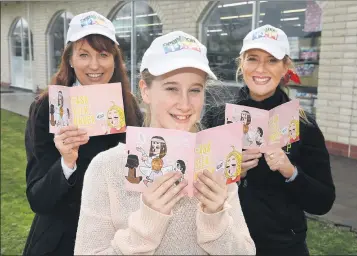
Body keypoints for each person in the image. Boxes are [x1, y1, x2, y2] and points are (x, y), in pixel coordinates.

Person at [74, 31, 256, 255]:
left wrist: (215, 216)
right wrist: (147, 223)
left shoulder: (216, 164)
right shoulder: (106, 168)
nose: (185, 104)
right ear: (145, 90)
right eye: (171, 88)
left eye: (195, 90)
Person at [202, 24, 335, 256]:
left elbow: (323, 202)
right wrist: (230, 172)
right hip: (224, 240)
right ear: (241, 64)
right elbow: (195, 183)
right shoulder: (218, 116)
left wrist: (290, 171)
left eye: (272, 60)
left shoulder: (304, 124)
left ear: (285, 67)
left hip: (283, 246)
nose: (261, 69)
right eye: (252, 59)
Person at [23, 11, 143, 256]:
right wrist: (66, 163)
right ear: (70, 59)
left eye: (103, 54)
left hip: (114, 240)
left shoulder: (129, 108)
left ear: (115, 59)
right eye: (84, 55)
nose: (95, 65)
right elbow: (39, 199)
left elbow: (136, 182)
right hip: (61, 240)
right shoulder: (47, 108)